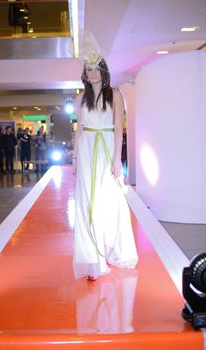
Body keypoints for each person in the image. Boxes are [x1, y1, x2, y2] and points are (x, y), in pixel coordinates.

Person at [72, 52, 138, 281]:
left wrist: (117, 160)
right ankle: (94, 259)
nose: (92, 73)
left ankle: (110, 247)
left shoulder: (116, 94)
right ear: (85, 74)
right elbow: (79, 129)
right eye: (88, 69)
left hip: (107, 148)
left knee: (110, 201)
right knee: (88, 202)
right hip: (87, 149)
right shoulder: (80, 98)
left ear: (103, 70)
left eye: (96, 68)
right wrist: (75, 158)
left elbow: (119, 128)